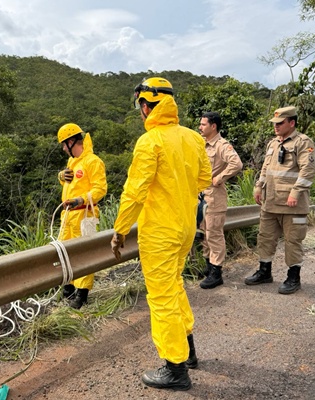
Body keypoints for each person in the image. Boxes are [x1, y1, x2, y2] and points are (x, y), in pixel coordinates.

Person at [110, 77, 212, 390]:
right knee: (175, 285)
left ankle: (176, 369)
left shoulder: (150, 141)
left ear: (145, 106)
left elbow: (134, 192)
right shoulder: (193, 138)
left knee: (162, 296)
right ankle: (189, 350)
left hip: (160, 233)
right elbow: (204, 179)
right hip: (184, 229)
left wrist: (120, 230)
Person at [244, 106, 315, 294]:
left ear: (291, 123)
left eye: (280, 123)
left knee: (293, 241)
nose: (276, 126)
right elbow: (265, 168)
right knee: (265, 238)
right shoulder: (273, 143)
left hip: (292, 204)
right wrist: (258, 186)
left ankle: (293, 277)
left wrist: (296, 192)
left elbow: (308, 171)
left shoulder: (303, 142)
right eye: (274, 123)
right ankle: (264, 272)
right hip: (270, 202)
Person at [57, 122, 107, 309]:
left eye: (64, 144)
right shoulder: (72, 162)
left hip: (84, 215)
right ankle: (68, 288)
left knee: (84, 255)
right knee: (65, 253)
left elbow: (100, 189)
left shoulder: (93, 161)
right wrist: (61, 176)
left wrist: (81, 200)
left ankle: (82, 294)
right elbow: (70, 184)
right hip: (68, 216)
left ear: (71, 141)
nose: (63, 148)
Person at [197, 111, 243, 289]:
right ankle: (209, 267)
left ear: (213, 126)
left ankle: (217, 272)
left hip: (215, 197)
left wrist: (220, 177)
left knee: (214, 234)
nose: (200, 127)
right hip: (202, 196)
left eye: (203, 124)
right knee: (204, 233)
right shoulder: (202, 144)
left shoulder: (221, 145)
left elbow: (236, 164)